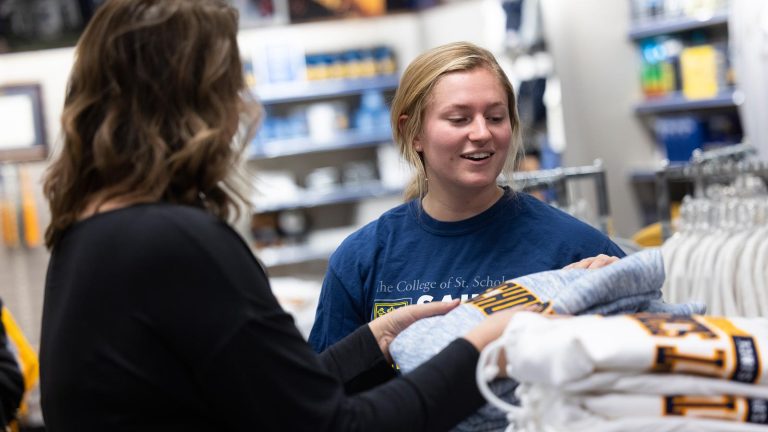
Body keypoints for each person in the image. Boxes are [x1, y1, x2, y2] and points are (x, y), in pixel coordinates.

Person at [38, 1, 525, 431]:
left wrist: (374, 339)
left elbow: (263, 395)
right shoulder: (176, 242)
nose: (239, 106)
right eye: (228, 85)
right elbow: (331, 423)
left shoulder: (88, 232)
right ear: (193, 104)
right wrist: (481, 345)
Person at [309, 41, 625, 352]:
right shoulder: (363, 260)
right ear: (413, 133)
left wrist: (619, 292)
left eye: (495, 117)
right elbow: (322, 390)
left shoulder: (576, 249)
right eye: (459, 119)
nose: (482, 133)